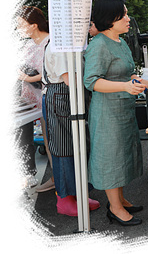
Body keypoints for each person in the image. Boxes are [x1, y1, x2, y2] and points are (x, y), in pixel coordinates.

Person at [84, 0, 148, 226]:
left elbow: (127, 74)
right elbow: (92, 81)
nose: (128, 19)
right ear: (111, 18)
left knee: (122, 154)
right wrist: (125, 87)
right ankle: (115, 208)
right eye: (124, 15)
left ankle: (119, 199)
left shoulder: (120, 41)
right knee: (110, 157)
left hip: (123, 108)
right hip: (107, 112)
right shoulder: (98, 45)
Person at [42, 29, 101, 216]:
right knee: (64, 148)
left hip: (70, 96)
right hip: (61, 97)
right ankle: (64, 199)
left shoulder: (71, 43)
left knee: (78, 146)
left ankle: (77, 195)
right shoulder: (59, 45)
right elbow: (69, 79)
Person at [15, 6, 50, 189]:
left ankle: (58, 182)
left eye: (21, 25)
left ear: (34, 25)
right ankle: (33, 176)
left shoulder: (50, 43)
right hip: (29, 100)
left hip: (47, 97)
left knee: (51, 142)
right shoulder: (29, 45)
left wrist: (29, 78)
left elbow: (53, 72)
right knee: (31, 138)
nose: (18, 28)